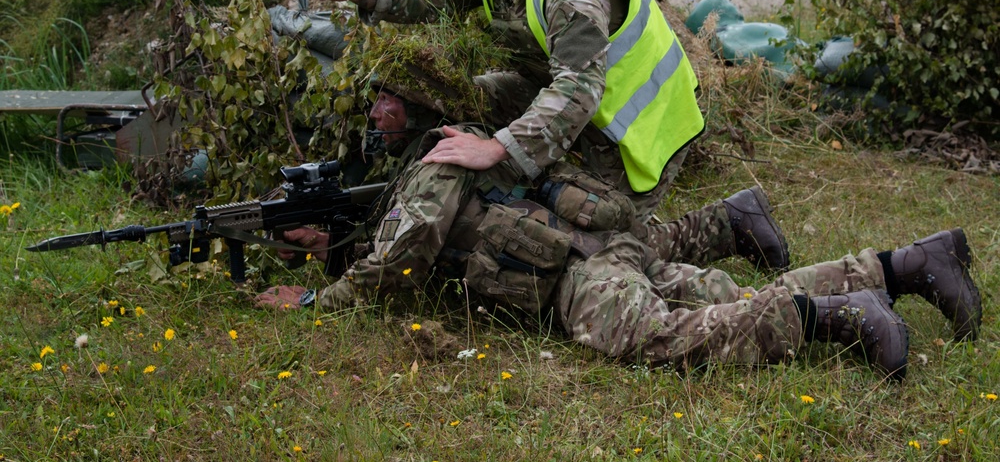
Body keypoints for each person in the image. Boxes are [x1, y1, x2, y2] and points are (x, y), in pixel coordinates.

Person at [256, 63, 982, 379]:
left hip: (583, 267)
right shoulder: (452, 146)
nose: (376, 112)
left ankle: (836, 318)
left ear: (417, 106)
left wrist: (322, 298)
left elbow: (407, 254)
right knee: (728, 302)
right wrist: (329, 246)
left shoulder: (440, 156)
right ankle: (907, 265)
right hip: (607, 243)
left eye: (388, 98)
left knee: (654, 340)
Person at [297, 0, 789, 273]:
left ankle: (730, 222)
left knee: (583, 254)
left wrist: (496, 148)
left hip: (638, 130)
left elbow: (578, 92)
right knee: (475, 96)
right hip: (580, 109)